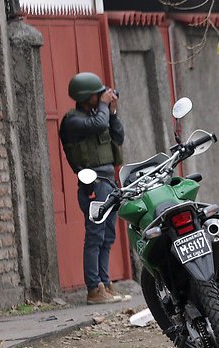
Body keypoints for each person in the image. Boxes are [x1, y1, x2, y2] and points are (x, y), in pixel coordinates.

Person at [60, 71, 128, 305]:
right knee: (95, 235)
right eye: (97, 95)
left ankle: (104, 284)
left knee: (108, 236)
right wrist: (103, 107)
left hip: (109, 181)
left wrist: (113, 112)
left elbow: (118, 135)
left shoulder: (98, 114)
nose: (101, 97)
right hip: (93, 184)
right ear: (85, 96)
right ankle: (93, 288)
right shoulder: (73, 121)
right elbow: (98, 123)